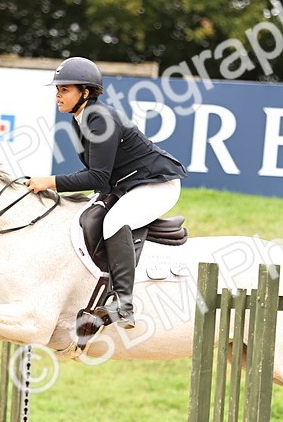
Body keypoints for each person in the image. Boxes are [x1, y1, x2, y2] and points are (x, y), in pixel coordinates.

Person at [25, 57, 187, 329]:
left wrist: (50, 182)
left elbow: (97, 177)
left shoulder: (100, 119)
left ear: (85, 92)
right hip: (129, 184)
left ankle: (124, 305)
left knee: (114, 222)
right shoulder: (81, 118)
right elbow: (99, 175)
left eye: (65, 89)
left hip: (157, 184)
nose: (58, 95)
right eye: (58, 89)